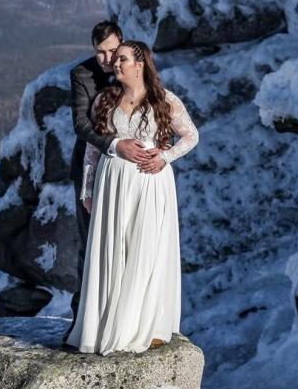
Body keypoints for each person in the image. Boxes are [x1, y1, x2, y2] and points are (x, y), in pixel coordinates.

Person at [67, 40, 199, 355]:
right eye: (116, 60)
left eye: (123, 59)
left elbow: (191, 135)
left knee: (146, 251)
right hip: (112, 184)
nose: (116, 64)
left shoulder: (164, 100)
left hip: (151, 184)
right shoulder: (105, 100)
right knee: (113, 252)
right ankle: (108, 326)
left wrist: (165, 156)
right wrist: (87, 189)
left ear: (140, 64)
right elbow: (92, 149)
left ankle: (147, 326)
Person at [67, 21, 157, 340]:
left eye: (112, 51)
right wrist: (114, 145)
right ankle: (85, 322)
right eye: (100, 53)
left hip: (135, 173)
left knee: (131, 243)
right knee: (91, 241)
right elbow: (80, 124)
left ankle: (126, 321)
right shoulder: (81, 75)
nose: (107, 60)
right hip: (94, 166)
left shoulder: (134, 68)